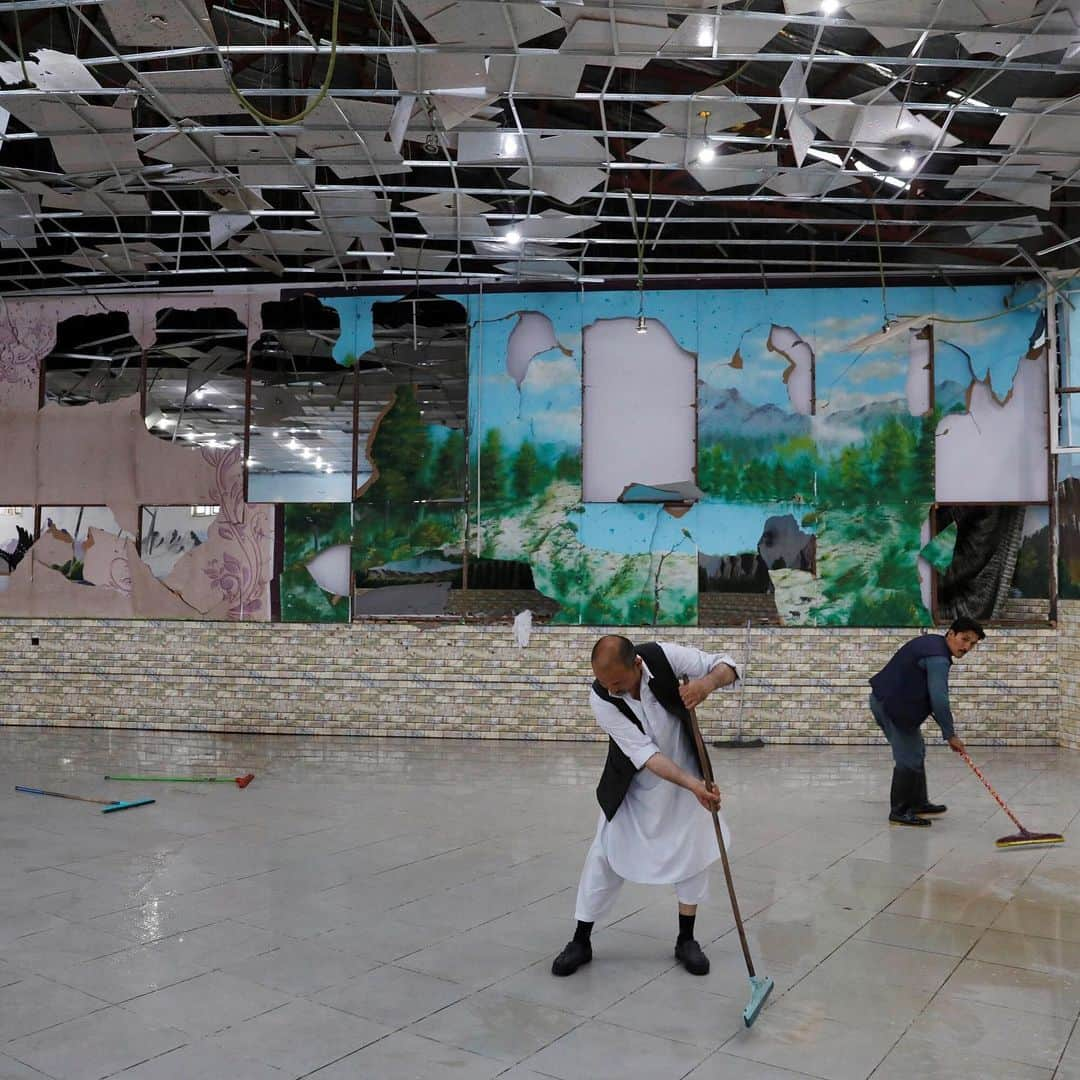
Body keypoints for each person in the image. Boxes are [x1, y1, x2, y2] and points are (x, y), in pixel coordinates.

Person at [551, 635, 739, 979]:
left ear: (637, 664)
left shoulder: (663, 656)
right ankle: (581, 940)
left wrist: (706, 684)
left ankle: (686, 940)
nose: (613, 690)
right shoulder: (602, 698)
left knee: (693, 855)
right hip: (634, 786)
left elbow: (727, 665)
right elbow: (646, 754)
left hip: (686, 778)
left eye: (619, 683)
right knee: (604, 856)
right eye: (607, 684)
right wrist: (693, 784)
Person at [869, 617, 985, 827]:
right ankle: (900, 811)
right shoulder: (938, 658)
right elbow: (939, 698)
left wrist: (946, 729)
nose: (967, 647)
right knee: (909, 758)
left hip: (890, 701)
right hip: (890, 706)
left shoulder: (933, 643)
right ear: (951, 634)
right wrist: (950, 734)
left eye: (973, 644)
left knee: (916, 751)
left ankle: (919, 802)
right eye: (964, 639)